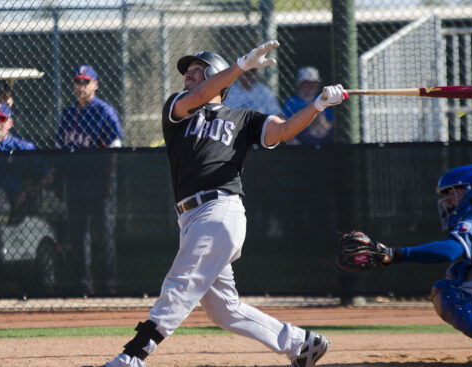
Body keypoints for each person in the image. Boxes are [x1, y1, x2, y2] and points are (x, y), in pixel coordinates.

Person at [94, 40, 347, 367]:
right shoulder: (179, 109)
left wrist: (317, 105)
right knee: (224, 310)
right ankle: (301, 344)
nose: (189, 75)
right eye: (187, 71)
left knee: (179, 283)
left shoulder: (243, 118)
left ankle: (132, 357)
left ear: (217, 78)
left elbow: (283, 130)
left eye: (198, 70)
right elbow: (200, 97)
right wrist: (241, 66)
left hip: (220, 209)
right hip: (191, 218)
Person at [346, 164, 472, 366]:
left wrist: (394, 254)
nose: (446, 199)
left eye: (453, 191)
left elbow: (450, 250)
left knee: (447, 292)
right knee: (460, 272)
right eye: (444, 194)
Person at [56, 65, 123, 296]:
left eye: (85, 82)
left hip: (99, 182)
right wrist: (60, 180)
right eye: (77, 81)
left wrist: (109, 181)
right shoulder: (67, 113)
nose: (81, 86)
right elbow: (60, 149)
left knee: (103, 234)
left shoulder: (104, 111)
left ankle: (108, 286)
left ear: (96, 84)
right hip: (75, 182)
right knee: (77, 236)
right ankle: (82, 285)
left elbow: (114, 149)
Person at [282, 66, 334, 145]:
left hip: (320, 135)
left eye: (315, 82)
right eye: (308, 82)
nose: (312, 85)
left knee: (317, 112)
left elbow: (329, 124)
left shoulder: (322, 99)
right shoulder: (291, 101)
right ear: (301, 84)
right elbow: (285, 124)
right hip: (297, 136)